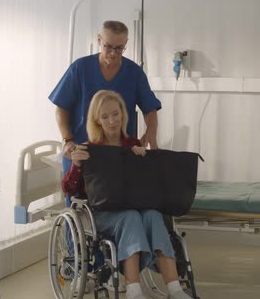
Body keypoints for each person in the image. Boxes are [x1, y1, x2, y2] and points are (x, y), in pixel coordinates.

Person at [61, 90, 191, 299]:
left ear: (122, 113)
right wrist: (76, 165)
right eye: (105, 116)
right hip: (101, 214)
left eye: (115, 114)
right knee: (131, 217)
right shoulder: (89, 149)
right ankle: (134, 290)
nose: (112, 121)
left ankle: (175, 289)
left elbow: (148, 186)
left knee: (153, 216)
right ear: (97, 120)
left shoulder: (132, 145)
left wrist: (143, 160)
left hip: (134, 208)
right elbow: (68, 189)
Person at [48, 20, 162, 177]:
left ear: (125, 44)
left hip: (120, 156)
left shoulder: (134, 73)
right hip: (82, 154)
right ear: (99, 40)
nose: (113, 53)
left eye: (119, 48)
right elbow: (61, 107)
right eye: (108, 46)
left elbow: (150, 109)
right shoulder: (80, 69)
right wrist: (67, 140)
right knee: (78, 197)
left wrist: (151, 132)